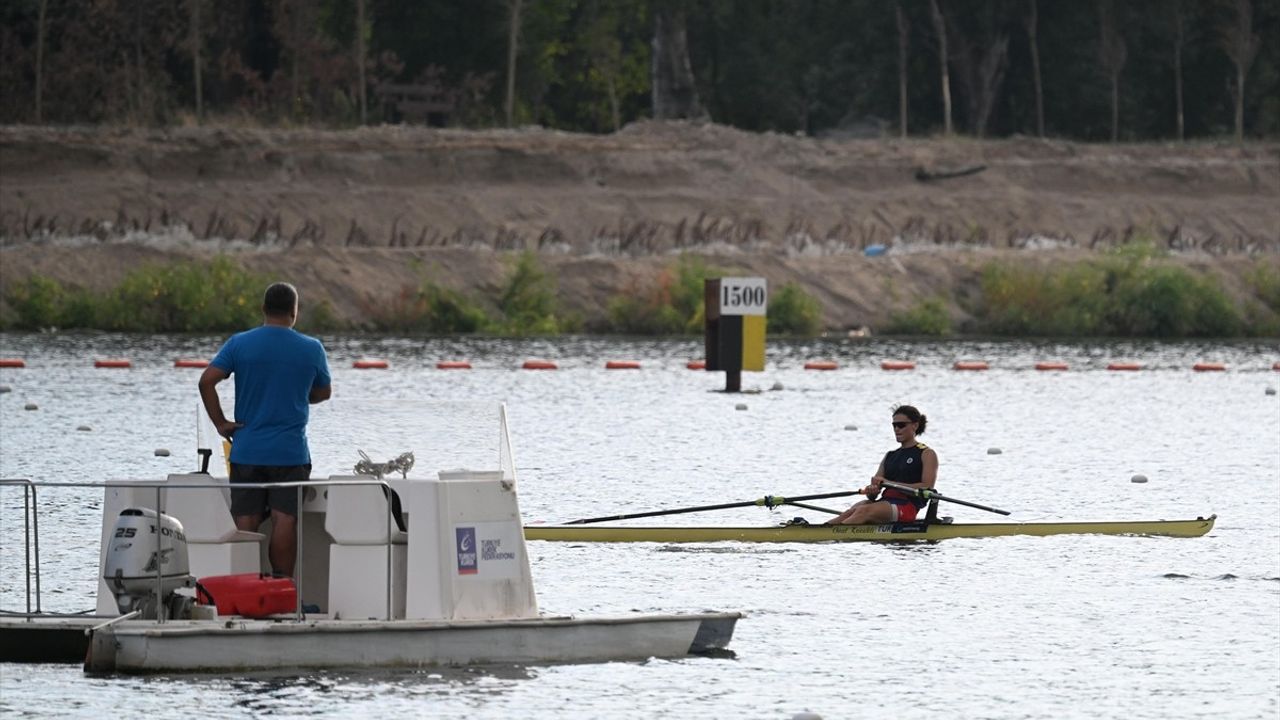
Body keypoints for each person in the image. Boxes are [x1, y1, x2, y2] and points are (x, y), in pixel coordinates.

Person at [198, 282, 332, 577]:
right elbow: (324, 392)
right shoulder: (311, 348)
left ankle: (243, 584)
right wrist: (298, 395)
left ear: (263, 309)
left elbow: (206, 381)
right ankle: (282, 586)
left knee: (245, 520)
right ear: (294, 312)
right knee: (285, 519)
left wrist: (221, 423)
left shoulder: (239, 343)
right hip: (290, 453)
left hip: (247, 450)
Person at [827, 405, 937, 525]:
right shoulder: (890, 455)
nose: (896, 429)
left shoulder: (926, 453)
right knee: (857, 507)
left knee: (864, 510)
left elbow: (927, 487)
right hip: (885, 503)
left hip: (907, 507)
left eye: (901, 425)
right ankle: (822, 529)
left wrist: (888, 483)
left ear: (915, 425)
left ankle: (829, 535)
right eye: (894, 425)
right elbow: (872, 496)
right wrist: (872, 490)